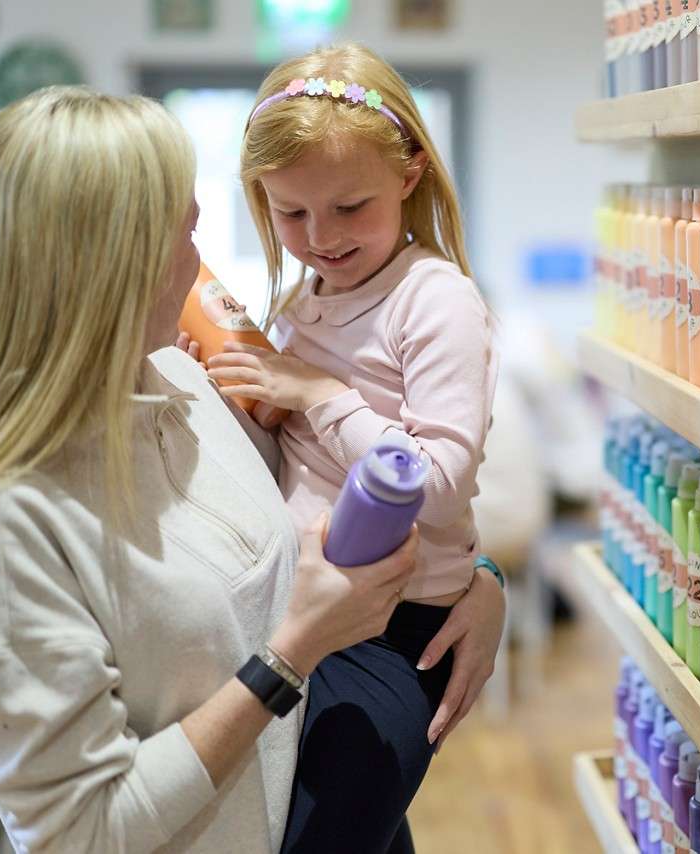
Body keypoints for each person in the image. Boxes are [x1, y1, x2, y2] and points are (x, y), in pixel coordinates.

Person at [0, 86, 502, 854]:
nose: (204, 268)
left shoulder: (174, 375)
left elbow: (317, 479)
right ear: (114, 261)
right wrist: (291, 655)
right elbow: (79, 833)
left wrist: (478, 580)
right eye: (185, 234)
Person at [202, 43, 500, 853]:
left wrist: (318, 394)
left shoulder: (434, 301)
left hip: (400, 630)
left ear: (409, 174)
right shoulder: (305, 301)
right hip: (312, 616)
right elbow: (301, 463)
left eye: (348, 207)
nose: (319, 237)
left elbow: (437, 481)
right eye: (289, 213)